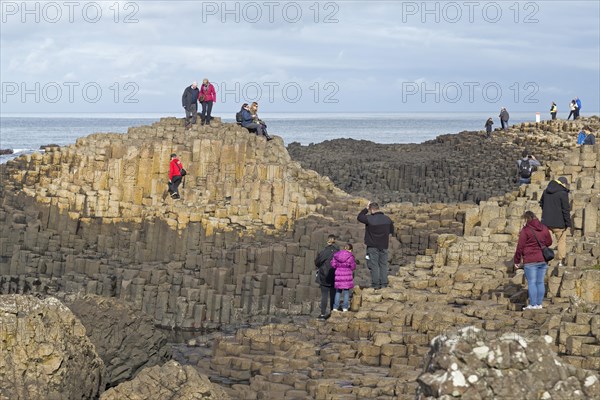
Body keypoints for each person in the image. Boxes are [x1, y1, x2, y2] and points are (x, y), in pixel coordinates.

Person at [513, 211, 552, 310]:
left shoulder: (525, 230)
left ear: (526, 219)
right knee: (540, 282)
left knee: (532, 283)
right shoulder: (544, 228)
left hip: (530, 261)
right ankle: (539, 304)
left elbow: (520, 247)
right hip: (542, 259)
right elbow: (549, 242)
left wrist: (517, 261)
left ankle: (533, 304)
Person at [357, 202, 394, 289]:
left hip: (372, 246)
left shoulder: (369, 218)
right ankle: (384, 284)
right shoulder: (387, 219)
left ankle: (376, 285)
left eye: (369, 210)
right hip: (384, 246)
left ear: (372, 210)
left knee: (374, 265)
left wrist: (365, 209)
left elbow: (359, 217)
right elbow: (391, 231)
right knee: (383, 265)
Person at [540, 177, 571, 267]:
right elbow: (566, 210)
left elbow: (541, 203)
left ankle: (545, 260)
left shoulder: (546, 191)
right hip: (559, 223)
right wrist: (568, 223)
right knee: (561, 241)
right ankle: (561, 261)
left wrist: (546, 213)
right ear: (563, 184)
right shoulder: (563, 193)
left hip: (546, 222)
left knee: (546, 242)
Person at [314, 234, 339, 319]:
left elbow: (317, 262)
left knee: (324, 295)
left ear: (328, 241)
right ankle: (332, 312)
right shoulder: (338, 251)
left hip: (324, 275)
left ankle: (323, 314)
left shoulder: (325, 251)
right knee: (333, 295)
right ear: (335, 241)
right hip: (335, 275)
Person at [331, 243, 357, 312]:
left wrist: (338, 266)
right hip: (347, 276)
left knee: (338, 291)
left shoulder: (337, 255)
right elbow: (353, 267)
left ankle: (335, 307)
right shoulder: (350, 256)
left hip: (339, 275)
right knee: (346, 292)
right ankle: (345, 308)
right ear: (350, 250)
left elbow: (333, 265)